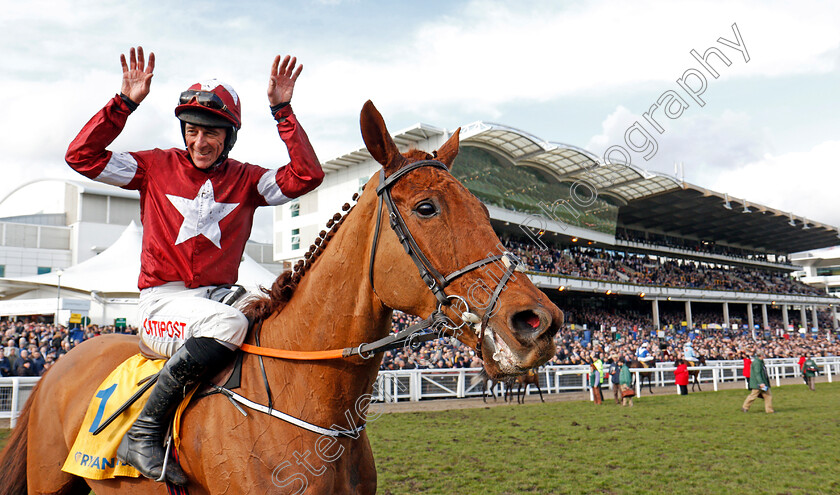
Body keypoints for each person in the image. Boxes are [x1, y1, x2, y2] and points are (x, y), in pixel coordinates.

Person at [65, 46, 324, 485]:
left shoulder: (248, 179)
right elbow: (81, 157)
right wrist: (123, 104)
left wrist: (283, 111)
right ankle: (143, 434)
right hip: (161, 306)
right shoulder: (153, 167)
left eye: (212, 134)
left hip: (219, 299)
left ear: (229, 138)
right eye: (192, 131)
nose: (200, 142)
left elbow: (307, 176)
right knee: (228, 327)